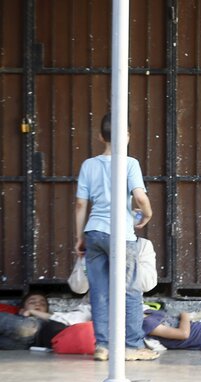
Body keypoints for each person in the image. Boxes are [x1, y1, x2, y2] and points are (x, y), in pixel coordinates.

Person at [74, 113, 158, 361]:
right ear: (128, 136)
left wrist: (79, 237)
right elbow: (140, 197)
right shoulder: (130, 163)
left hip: (94, 232)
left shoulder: (88, 165)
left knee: (99, 291)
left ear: (101, 136)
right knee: (130, 291)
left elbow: (80, 204)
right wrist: (149, 213)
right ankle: (132, 346)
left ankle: (103, 346)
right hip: (121, 234)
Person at [0, 291, 92, 350]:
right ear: (22, 309)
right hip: (29, 330)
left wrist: (32, 311)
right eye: (32, 302)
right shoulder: (23, 321)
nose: (38, 304)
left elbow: (53, 317)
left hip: (30, 344)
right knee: (24, 326)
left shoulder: (53, 318)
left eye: (42, 303)